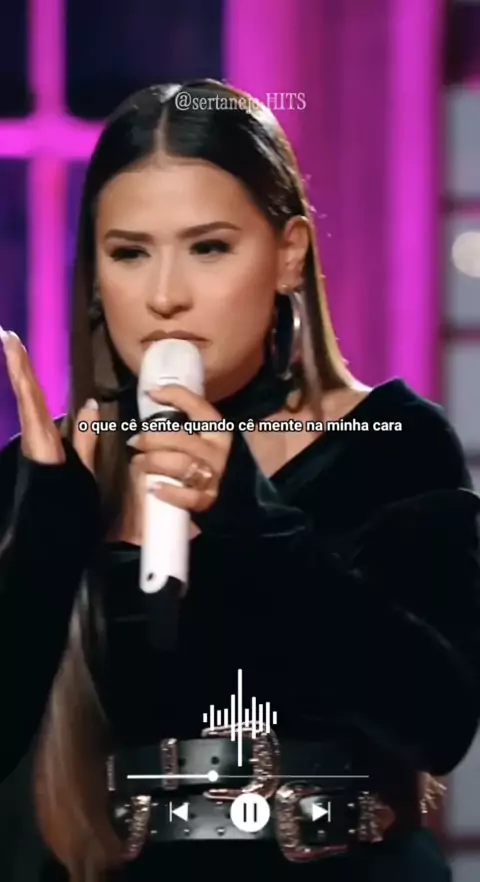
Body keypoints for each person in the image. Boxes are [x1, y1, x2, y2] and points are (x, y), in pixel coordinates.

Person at [0, 79, 479, 882]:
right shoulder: (56, 470)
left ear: (288, 253)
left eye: (209, 247)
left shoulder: (391, 442)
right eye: (130, 253)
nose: (165, 297)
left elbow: (439, 721)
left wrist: (249, 518)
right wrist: (47, 537)